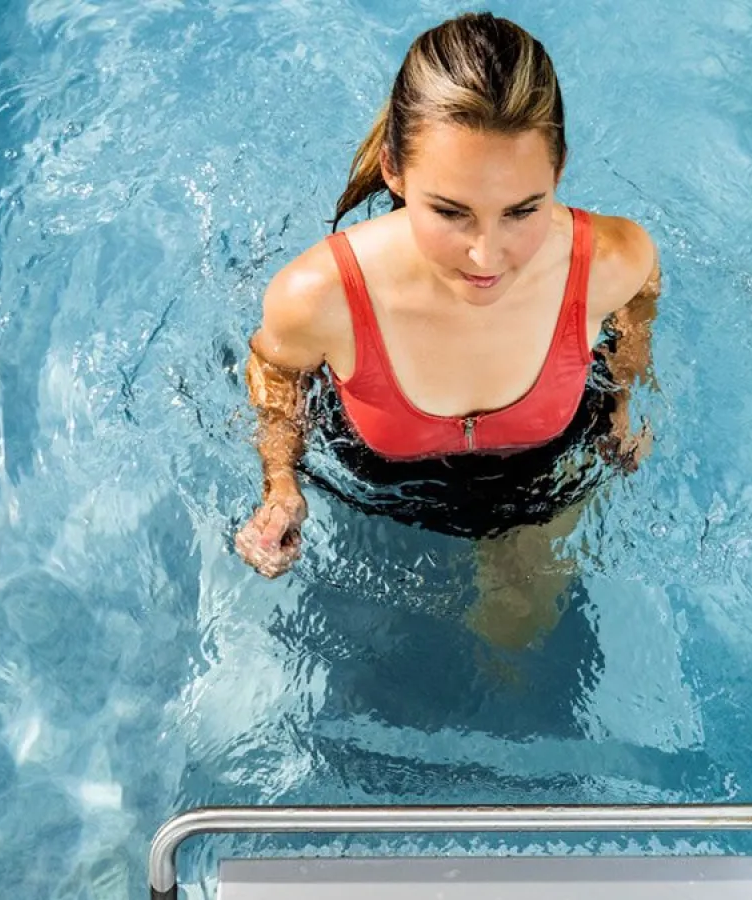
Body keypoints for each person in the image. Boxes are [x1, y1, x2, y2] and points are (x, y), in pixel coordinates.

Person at [234, 12, 661, 648]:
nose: (487, 258)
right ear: (394, 171)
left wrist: (623, 399)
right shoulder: (321, 296)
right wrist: (282, 483)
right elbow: (276, 370)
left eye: (522, 211)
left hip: (541, 474)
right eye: (450, 212)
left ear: (560, 172)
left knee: (518, 658)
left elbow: (639, 304)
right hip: (376, 485)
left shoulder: (612, 260)